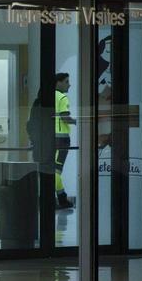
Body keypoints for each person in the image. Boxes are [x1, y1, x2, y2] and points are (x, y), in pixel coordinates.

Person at [52, 72, 76, 210]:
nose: (69, 84)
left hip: (50, 138)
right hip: (61, 139)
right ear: (58, 82)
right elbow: (65, 117)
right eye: (66, 81)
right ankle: (60, 199)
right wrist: (78, 122)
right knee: (56, 171)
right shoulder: (62, 97)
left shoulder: (48, 96)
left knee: (53, 170)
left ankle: (62, 198)